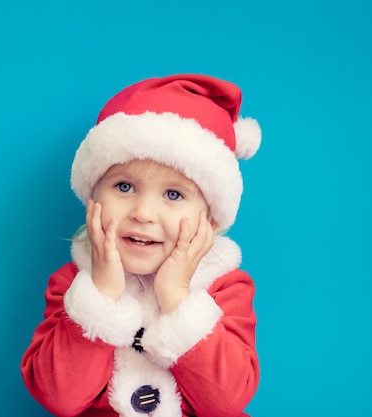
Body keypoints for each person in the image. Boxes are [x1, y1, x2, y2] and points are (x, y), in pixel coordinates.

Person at [21, 74, 261, 417]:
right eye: (123, 187)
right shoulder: (73, 283)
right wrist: (99, 296)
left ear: (211, 222)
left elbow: (225, 402)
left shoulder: (226, 287)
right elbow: (59, 396)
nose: (144, 213)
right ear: (93, 200)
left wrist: (177, 295)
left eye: (174, 194)